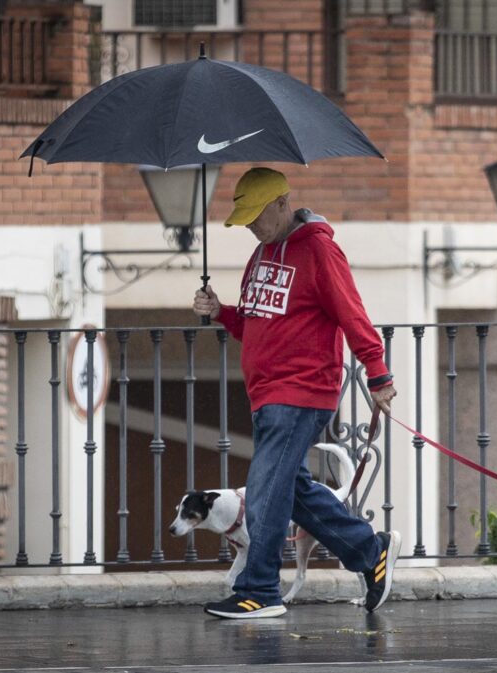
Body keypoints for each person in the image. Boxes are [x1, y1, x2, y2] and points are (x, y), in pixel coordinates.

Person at [193, 167, 400, 620]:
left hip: (302, 390)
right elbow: (256, 325)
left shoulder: (320, 250)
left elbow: (352, 312)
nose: (250, 225)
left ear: (283, 205)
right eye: (243, 217)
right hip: (267, 393)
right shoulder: (261, 255)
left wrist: (378, 374)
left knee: (266, 489)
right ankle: (370, 550)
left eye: (256, 216)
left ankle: (260, 589)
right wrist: (222, 313)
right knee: (294, 488)